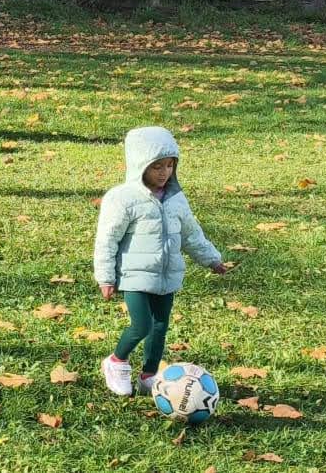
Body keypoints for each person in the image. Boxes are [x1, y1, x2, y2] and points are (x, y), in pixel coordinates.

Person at [95, 126, 228, 397]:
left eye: (169, 165)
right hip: (134, 275)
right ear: (139, 165)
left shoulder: (177, 199)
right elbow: (107, 239)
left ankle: (149, 374)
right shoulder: (123, 199)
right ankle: (117, 361)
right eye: (157, 166)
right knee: (141, 325)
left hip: (167, 275)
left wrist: (212, 259)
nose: (164, 172)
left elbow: (191, 234)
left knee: (159, 327)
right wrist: (106, 277)